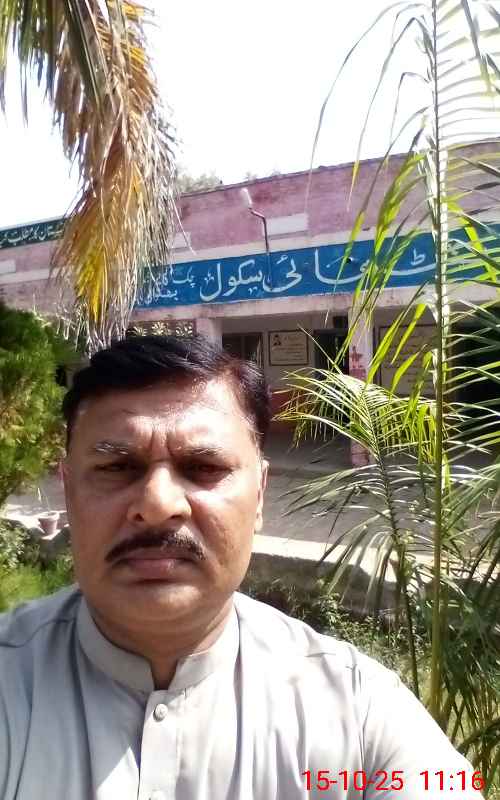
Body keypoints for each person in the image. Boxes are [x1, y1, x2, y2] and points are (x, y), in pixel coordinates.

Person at [0, 335, 483, 799]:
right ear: (68, 491)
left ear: (260, 495)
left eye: (203, 468)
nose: (158, 504)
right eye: (116, 467)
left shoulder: (360, 713)